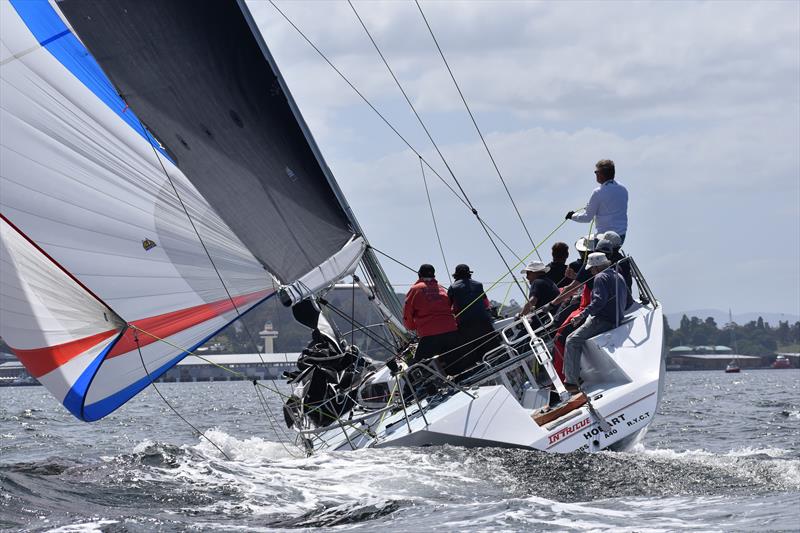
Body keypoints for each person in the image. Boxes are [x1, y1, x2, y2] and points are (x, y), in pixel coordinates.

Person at [562, 252, 629, 394]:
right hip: (616, 318)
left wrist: (581, 315)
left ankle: (571, 383)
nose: (591, 272)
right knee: (575, 338)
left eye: (592, 269)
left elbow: (599, 301)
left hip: (603, 320)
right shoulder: (618, 275)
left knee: (571, 340)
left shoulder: (600, 277)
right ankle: (572, 375)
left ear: (597, 267)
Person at [446, 264, 498, 376]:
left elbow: (447, 309)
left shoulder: (453, 288)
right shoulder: (478, 285)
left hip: (465, 326)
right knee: (493, 350)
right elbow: (486, 304)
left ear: (456, 276)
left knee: (473, 355)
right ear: (469, 274)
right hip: (484, 323)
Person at [403, 264, 459, 365]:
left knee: (421, 367)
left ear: (419, 275)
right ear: (434, 275)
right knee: (454, 364)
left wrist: (411, 327)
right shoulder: (441, 288)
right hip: (451, 331)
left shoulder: (415, 289)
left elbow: (408, 313)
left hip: (430, 335)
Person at [565, 159, 628, 244]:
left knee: (580, 244)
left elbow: (587, 218)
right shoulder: (623, 189)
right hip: (621, 237)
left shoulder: (598, 192)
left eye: (596, 172)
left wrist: (572, 216)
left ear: (601, 174)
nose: (595, 174)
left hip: (604, 238)